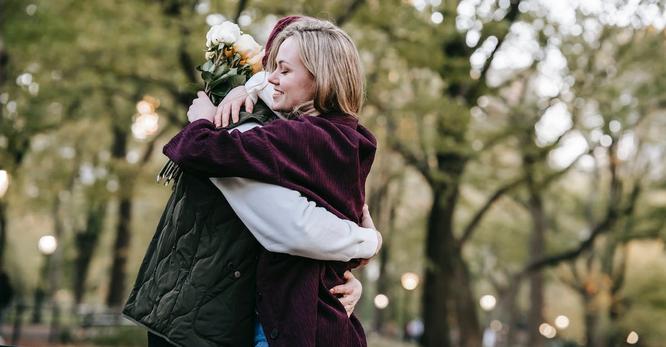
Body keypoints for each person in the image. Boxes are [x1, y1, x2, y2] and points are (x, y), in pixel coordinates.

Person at [123, 17, 380, 347]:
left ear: (320, 77)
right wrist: (247, 88)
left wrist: (202, 123)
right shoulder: (351, 142)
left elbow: (295, 227)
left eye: (283, 70)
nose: (271, 77)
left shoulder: (289, 137)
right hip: (282, 315)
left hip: (279, 322)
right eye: (270, 67)